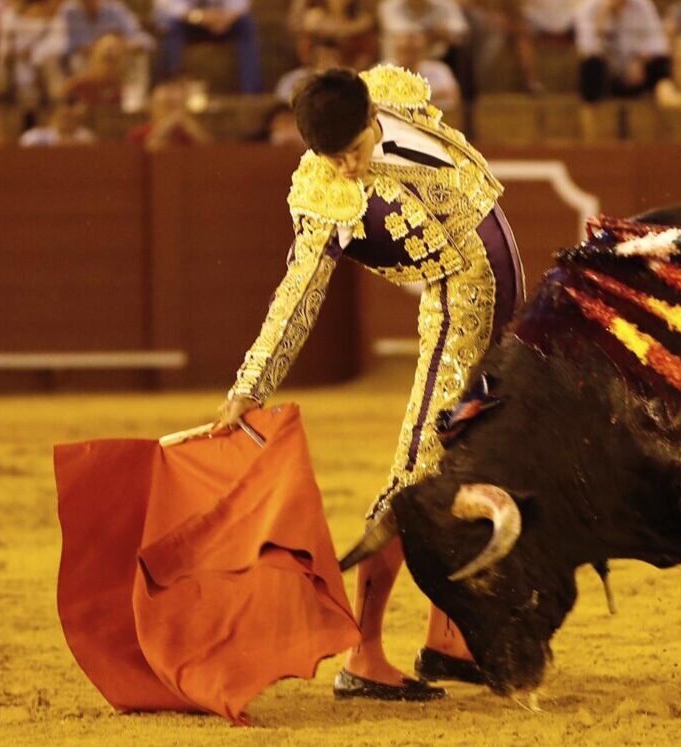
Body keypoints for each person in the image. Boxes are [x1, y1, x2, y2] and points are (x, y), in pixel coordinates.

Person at [215, 65, 525, 701]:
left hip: (499, 313)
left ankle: (448, 638)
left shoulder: (387, 94)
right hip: (458, 316)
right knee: (416, 477)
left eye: (354, 149)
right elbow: (296, 297)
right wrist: (250, 386)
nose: (349, 169)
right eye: (333, 157)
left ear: (370, 118)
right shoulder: (325, 198)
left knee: (469, 462)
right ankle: (365, 653)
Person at [152, 0, 262, 93]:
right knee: (172, 27)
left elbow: (240, 4)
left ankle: (251, 91)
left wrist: (226, 18)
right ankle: (171, 87)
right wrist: (200, 17)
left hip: (223, 22)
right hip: (187, 22)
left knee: (246, 25)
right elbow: (168, 6)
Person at [575, 0, 670, 102]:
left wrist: (640, 60)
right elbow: (587, 48)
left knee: (661, 64)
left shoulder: (643, 5)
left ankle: (658, 111)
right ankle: (593, 113)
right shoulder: (589, 8)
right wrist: (602, 19)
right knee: (591, 65)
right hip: (607, 74)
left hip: (635, 73)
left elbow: (661, 44)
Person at [287, 0, 377, 71]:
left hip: (351, 76)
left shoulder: (362, 20)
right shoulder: (315, 17)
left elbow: (367, 56)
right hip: (315, 73)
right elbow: (305, 55)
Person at [385, 29, 460, 112]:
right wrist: (427, 96)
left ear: (424, 52)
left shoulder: (440, 70)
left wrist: (406, 98)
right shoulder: (382, 70)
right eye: (405, 51)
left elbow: (453, 96)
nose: (409, 56)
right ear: (396, 51)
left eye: (414, 51)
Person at [126, 78, 212, 150]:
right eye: (167, 106)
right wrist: (164, 129)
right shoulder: (138, 135)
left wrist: (192, 130)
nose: (172, 116)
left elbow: (210, 154)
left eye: (176, 107)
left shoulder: (189, 134)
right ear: (152, 106)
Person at [275, 38, 340, 103]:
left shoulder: (342, 84)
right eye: (324, 58)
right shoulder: (292, 80)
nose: (328, 63)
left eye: (332, 58)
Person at [19, 95, 96, 144]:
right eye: (64, 117)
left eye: (70, 118)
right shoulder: (37, 136)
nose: (67, 122)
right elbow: (25, 143)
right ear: (53, 117)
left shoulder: (85, 137)